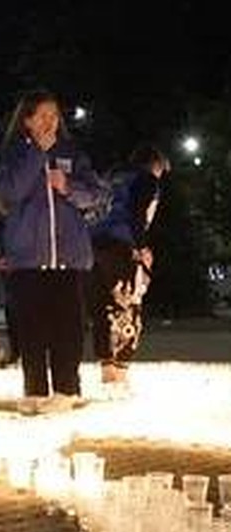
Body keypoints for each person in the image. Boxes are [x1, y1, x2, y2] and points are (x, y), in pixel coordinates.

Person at [0, 90, 107, 404]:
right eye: (42, 115)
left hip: (69, 258)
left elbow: (98, 195)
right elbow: (10, 193)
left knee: (68, 330)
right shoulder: (14, 154)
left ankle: (67, 391)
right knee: (31, 330)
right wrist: (37, 156)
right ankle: (35, 391)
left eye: (54, 115)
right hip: (28, 259)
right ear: (27, 120)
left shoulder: (73, 153)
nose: (50, 122)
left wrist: (67, 186)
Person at [88, 143, 169, 386]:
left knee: (103, 307)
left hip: (93, 244)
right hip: (122, 247)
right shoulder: (146, 180)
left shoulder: (111, 179)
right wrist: (142, 247)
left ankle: (106, 366)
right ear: (155, 165)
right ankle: (121, 367)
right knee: (129, 305)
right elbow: (137, 214)